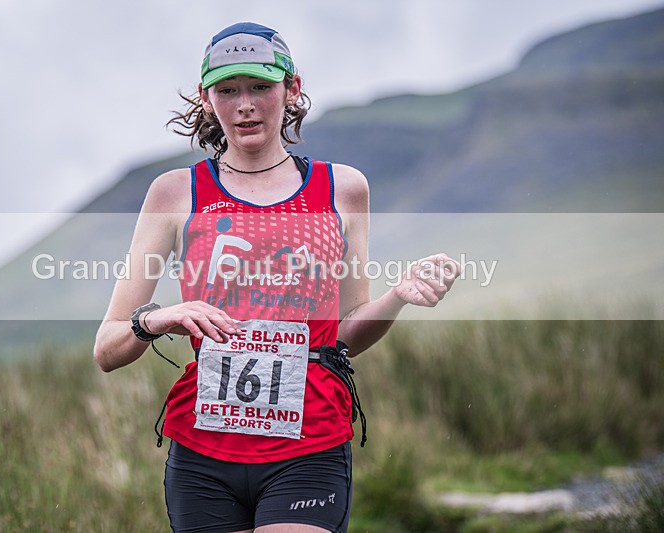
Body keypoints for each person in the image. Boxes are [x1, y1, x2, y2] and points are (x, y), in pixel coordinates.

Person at [94, 22, 460, 533]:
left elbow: (348, 332)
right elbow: (108, 349)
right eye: (227, 90)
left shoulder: (343, 189)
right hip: (203, 454)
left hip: (309, 447)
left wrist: (397, 297)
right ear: (206, 99)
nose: (245, 104)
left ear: (292, 89)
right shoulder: (175, 193)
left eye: (261, 87)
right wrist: (159, 319)